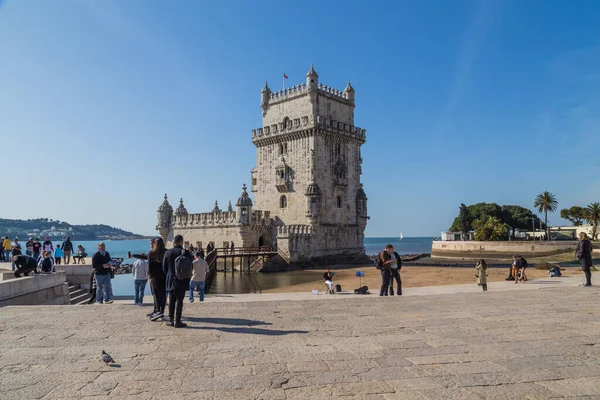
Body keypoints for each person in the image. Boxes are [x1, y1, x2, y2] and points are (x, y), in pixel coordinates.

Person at [163, 234, 191, 328]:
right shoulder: (186, 253)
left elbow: (164, 268)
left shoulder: (168, 253)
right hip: (182, 280)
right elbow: (190, 267)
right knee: (180, 301)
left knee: (171, 300)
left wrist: (170, 274)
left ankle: (171, 320)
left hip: (171, 280)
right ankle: (178, 321)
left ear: (174, 242)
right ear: (181, 242)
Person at [149, 238, 167, 321]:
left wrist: (150, 277)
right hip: (164, 276)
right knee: (163, 294)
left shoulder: (151, 253)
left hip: (155, 277)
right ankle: (162, 311)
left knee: (155, 294)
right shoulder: (166, 252)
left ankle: (158, 310)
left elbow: (150, 267)